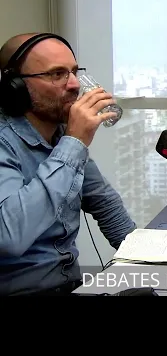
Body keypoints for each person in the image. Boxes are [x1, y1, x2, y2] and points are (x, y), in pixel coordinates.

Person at [0, 32, 136, 296]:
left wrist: (151, 262)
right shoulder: (6, 142)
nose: (74, 84)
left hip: (71, 287)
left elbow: (105, 203)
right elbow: (9, 236)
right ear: (15, 86)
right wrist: (74, 142)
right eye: (57, 74)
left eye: (74, 71)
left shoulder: (61, 135)